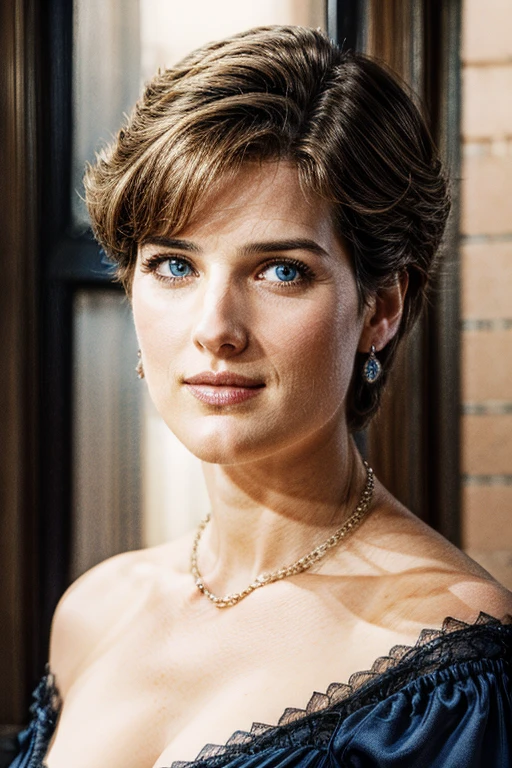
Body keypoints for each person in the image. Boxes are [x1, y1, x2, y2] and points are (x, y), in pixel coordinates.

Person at [10, 25, 512, 768]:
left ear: (381, 308)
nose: (215, 329)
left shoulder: (448, 661)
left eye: (280, 271)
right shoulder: (95, 610)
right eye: (175, 265)